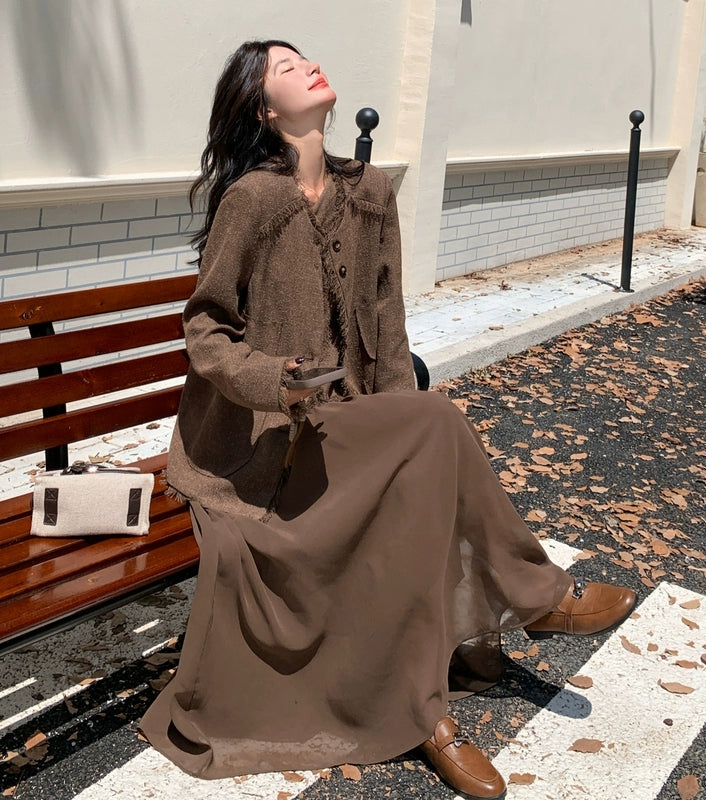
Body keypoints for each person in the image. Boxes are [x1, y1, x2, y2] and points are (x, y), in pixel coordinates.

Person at [140, 40, 636, 800]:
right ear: (264, 109)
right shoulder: (254, 200)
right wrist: (274, 380)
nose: (307, 66)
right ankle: (507, 631)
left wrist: (395, 416)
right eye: (284, 67)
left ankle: (449, 681)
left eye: (304, 58)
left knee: (425, 439)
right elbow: (205, 330)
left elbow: (386, 321)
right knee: (433, 428)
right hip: (262, 446)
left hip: (346, 425)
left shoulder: (368, 191)